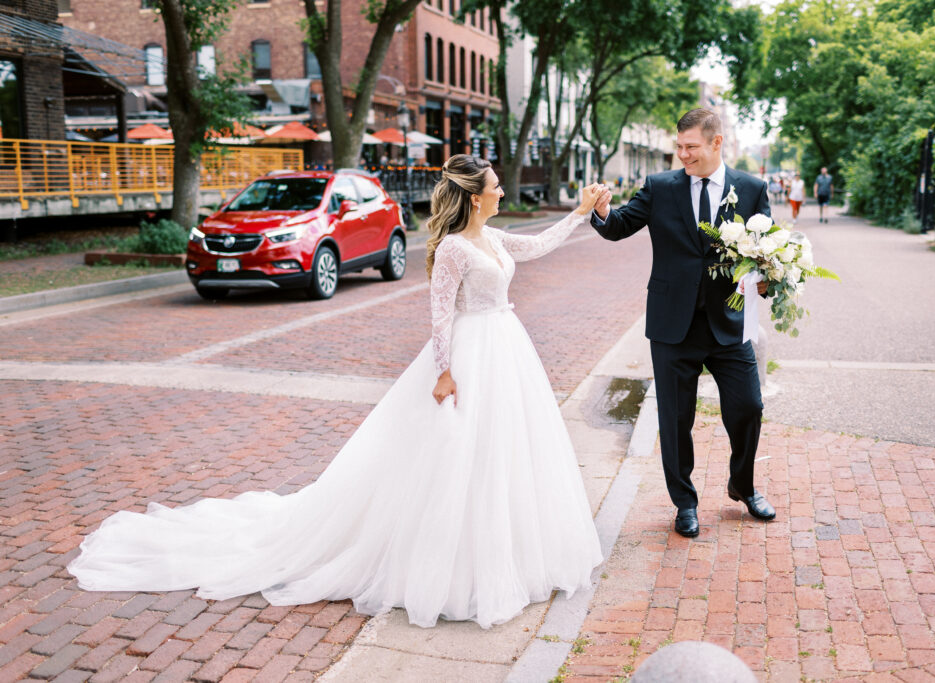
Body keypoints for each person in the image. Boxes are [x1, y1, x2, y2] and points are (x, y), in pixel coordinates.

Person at [68, 155, 610, 630]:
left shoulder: (490, 237)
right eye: (493, 186)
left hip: (506, 348)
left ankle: (506, 553)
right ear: (472, 196)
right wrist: (444, 372)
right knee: (458, 456)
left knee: (504, 454)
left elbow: (537, 245)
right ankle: (452, 564)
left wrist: (580, 212)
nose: (500, 192)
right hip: (470, 353)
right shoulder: (451, 249)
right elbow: (440, 315)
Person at [590, 108, 776, 539]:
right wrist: (602, 211)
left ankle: (743, 486)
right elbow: (619, 227)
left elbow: (768, 253)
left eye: (691, 147)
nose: (683, 155)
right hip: (673, 326)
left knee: (749, 407)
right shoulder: (659, 186)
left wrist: (769, 284)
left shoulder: (750, 188)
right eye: (679, 146)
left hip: (729, 325)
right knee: (676, 420)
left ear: (716, 143)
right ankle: (685, 503)